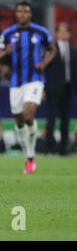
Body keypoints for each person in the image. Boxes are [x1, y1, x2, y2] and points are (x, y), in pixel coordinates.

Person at [0, 2, 56, 174]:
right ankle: (28, 155)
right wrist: (6, 53)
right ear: (16, 14)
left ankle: (31, 156)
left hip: (35, 80)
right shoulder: (8, 34)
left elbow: (52, 49)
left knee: (28, 116)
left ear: (30, 14)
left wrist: (43, 63)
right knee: (19, 121)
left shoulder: (41, 32)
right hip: (15, 83)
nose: (22, 14)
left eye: (26, 11)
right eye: (19, 11)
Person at [45, 22, 77, 155]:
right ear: (56, 34)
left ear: (70, 34)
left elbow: (74, 70)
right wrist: (44, 87)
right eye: (61, 31)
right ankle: (50, 148)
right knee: (51, 118)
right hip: (53, 88)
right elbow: (45, 69)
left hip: (68, 88)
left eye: (66, 31)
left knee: (65, 119)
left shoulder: (72, 49)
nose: (63, 34)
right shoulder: (51, 49)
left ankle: (63, 149)